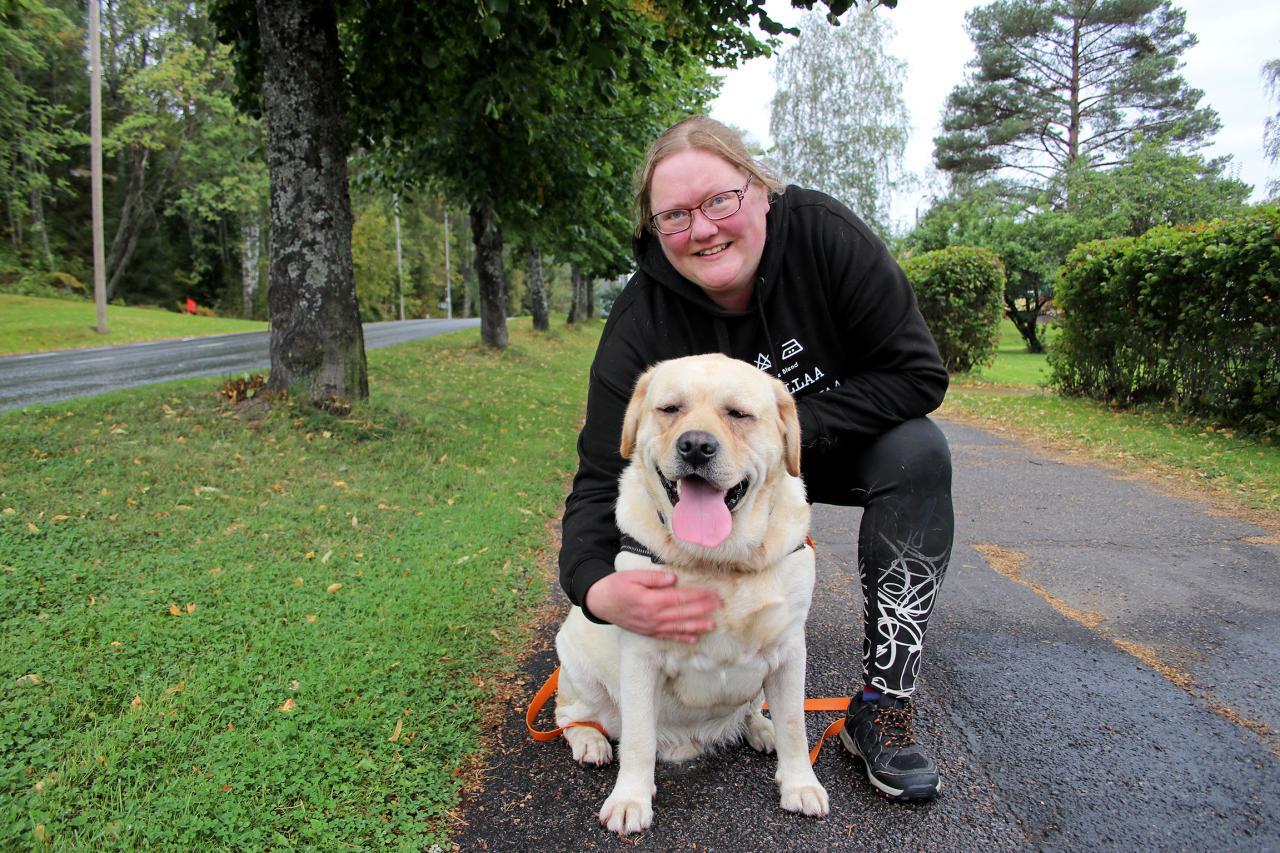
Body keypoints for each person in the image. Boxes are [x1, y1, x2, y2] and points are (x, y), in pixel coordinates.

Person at [558, 115, 953, 803]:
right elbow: (599, 476)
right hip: (704, 479)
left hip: (807, 443)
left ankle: (884, 701)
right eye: (674, 215)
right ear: (654, 231)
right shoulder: (640, 322)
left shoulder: (826, 238)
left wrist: (781, 429)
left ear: (761, 190)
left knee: (918, 450)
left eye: (720, 200)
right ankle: (717, 677)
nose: (702, 228)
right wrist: (594, 586)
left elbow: (918, 374)